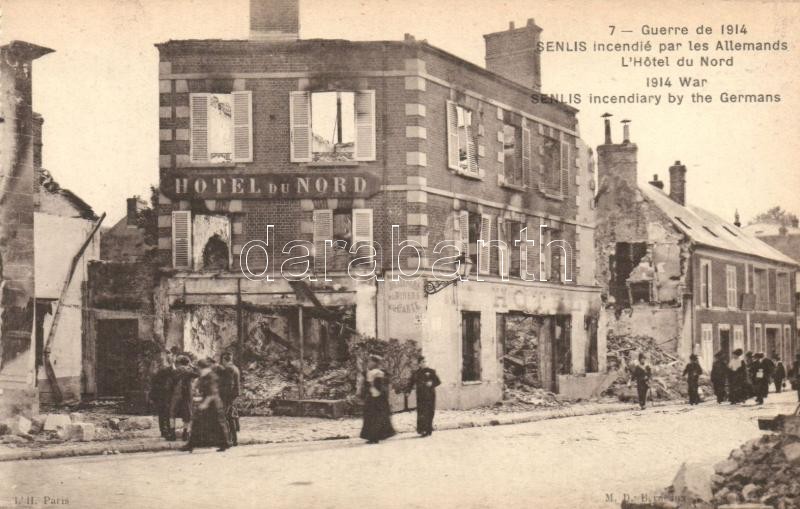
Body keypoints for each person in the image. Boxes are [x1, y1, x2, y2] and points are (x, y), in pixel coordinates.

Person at [181, 358, 229, 452]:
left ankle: (225, 443)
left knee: (215, 424)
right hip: (211, 403)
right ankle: (192, 445)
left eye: (198, 367)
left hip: (212, 404)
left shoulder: (210, 376)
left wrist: (204, 404)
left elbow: (212, 393)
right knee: (203, 424)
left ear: (200, 367)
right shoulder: (206, 375)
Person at [359, 355, 396, 444]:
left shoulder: (379, 373)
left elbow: (382, 387)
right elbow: (366, 385)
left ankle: (375, 437)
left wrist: (374, 387)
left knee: (376, 417)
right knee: (370, 417)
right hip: (372, 398)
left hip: (378, 399)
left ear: (375, 363)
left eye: (370, 362)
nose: (368, 363)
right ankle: (372, 437)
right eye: (368, 361)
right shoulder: (369, 372)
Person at [406, 356, 441, 437]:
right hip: (420, 395)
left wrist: (432, 383)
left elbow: (438, 381)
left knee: (429, 412)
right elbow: (411, 383)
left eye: (425, 361)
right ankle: (422, 430)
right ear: (419, 364)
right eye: (422, 362)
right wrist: (408, 391)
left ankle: (428, 429)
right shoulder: (416, 373)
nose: (424, 363)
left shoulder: (431, 371)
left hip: (430, 395)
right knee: (421, 412)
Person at [149, 350, 177, 440]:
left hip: (161, 394)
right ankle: (166, 432)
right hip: (163, 394)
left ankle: (165, 431)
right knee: (166, 413)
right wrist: (173, 362)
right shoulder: (163, 369)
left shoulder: (157, 367)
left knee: (163, 413)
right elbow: (172, 371)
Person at [170, 355, 199, 441]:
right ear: (188, 363)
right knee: (187, 414)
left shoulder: (175, 370)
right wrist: (193, 366)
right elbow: (198, 373)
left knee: (172, 413)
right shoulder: (189, 370)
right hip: (187, 395)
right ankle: (185, 434)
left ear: (179, 363)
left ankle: (172, 434)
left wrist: (172, 364)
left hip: (176, 394)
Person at [218, 352, 241, 446]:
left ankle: (228, 440)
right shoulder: (235, 368)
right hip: (232, 395)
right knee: (230, 417)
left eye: (222, 360)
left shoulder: (229, 368)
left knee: (225, 417)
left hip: (228, 396)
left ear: (224, 359)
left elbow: (229, 384)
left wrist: (221, 394)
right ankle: (234, 440)